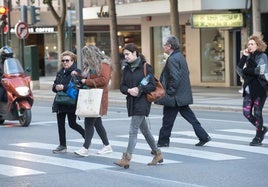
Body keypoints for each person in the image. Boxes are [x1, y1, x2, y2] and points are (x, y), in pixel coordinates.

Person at [155, 35, 211, 147]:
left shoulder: (172, 59)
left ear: (169, 46)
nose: (163, 46)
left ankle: (163, 142)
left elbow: (175, 78)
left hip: (174, 97)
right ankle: (203, 136)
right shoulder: (180, 56)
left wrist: (170, 92)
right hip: (181, 95)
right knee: (190, 117)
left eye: (164, 44)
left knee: (167, 120)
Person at [114, 43, 163, 169]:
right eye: (124, 55)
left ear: (135, 53)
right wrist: (129, 90)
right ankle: (157, 153)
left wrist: (139, 89)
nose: (125, 57)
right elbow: (122, 87)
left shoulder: (145, 67)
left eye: (127, 54)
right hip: (131, 101)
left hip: (143, 102)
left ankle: (127, 158)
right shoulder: (126, 69)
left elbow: (152, 85)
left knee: (133, 130)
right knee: (145, 130)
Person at [74, 45, 113, 157]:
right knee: (97, 123)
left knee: (89, 122)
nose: (85, 59)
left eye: (86, 56)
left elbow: (104, 80)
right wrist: (79, 75)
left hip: (98, 97)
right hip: (94, 97)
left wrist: (86, 81)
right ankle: (107, 146)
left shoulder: (104, 64)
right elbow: (89, 77)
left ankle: (85, 148)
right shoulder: (92, 66)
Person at [236, 34, 268, 146]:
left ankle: (258, 137)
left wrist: (247, 70)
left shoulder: (262, 56)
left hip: (260, 89)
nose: (249, 46)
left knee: (257, 113)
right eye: (248, 44)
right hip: (249, 90)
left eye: (252, 44)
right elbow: (239, 70)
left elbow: (261, 71)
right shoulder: (248, 57)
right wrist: (244, 56)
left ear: (258, 45)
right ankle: (262, 128)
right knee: (246, 113)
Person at [52, 51, 85, 153]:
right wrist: (56, 87)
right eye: (63, 61)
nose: (65, 62)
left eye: (67, 60)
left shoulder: (76, 72)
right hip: (60, 102)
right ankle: (62, 145)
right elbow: (54, 86)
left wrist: (64, 87)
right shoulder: (60, 72)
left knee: (72, 123)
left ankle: (87, 137)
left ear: (73, 60)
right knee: (60, 124)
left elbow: (78, 86)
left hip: (71, 102)